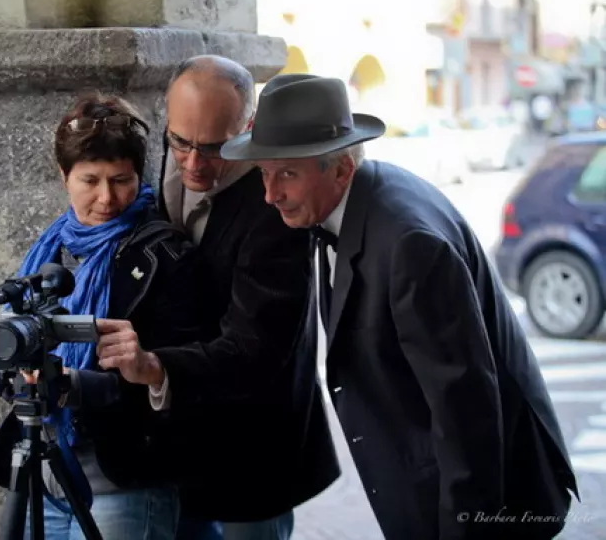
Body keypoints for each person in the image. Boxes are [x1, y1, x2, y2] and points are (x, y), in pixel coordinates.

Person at [216, 73, 579, 539]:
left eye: (287, 173)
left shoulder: (409, 245)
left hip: (487, 509)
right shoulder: (348, 203)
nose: (270, 194)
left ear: (342, 168)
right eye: (264, 173)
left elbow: (466, 412)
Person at [96, 56, 340, 540]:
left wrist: (157, 367)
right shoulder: (160, 158)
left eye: (213, 148)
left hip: (251, 450)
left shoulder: (276, 207)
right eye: (180, 142)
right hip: (173, 449)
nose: (191, 163)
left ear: (248, 127)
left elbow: (255, 351)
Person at [0, 93, 203, 540]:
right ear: (64, 177)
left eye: (121, 180)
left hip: (122, 482)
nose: (107, 198)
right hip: (44, 476)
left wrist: (75, 385)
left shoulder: (166, 256)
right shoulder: (52, 248)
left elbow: (185, 379)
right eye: (90, 180)